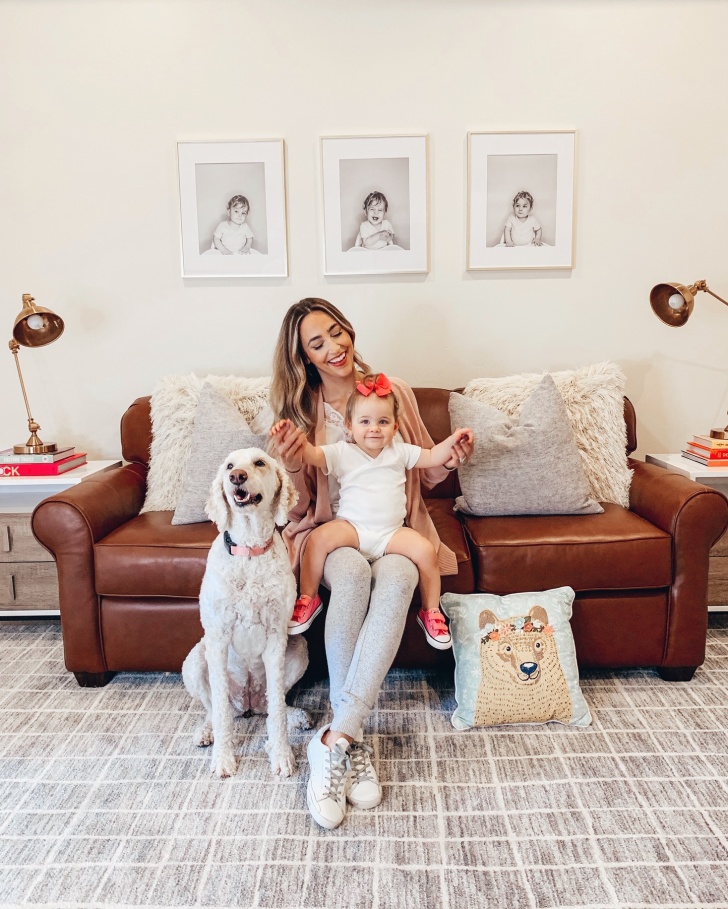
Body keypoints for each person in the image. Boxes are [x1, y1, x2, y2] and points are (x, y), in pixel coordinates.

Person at [269, 299, 473, 830]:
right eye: (318, 343)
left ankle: (338, 736)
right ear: (303, 357)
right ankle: (350, 735)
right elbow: (296, 497)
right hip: (335, 529)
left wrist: (449, 457)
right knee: (354, 575)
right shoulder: (304, 410)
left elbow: (424, 469)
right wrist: (292, 457)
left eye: (337, 333)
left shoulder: (391, 388)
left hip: (397, 529)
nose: (334, 347)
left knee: (403, 574)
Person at [270, 372, 473, 651]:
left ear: (395, 426)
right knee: (316, 541)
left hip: (392, 533)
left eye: (383, 422)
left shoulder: (400, 451)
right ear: (349, 426)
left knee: (427, 551)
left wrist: (454, 441)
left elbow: (433, 456)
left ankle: (431, 611)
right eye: (365, 422)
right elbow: (311, 454)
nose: (374, 429)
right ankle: (308, 597)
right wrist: (292, 438)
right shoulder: (341, 451)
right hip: (352, 528)